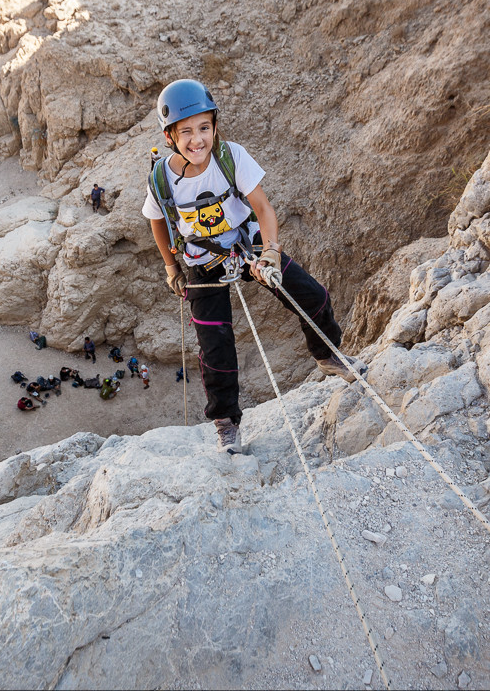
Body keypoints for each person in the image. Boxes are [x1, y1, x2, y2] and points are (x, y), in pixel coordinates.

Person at [143, 79, 364, 455]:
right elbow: (157, 222)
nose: (197, 140)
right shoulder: (162, 179)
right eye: (186, 132)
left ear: (214, 125)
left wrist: (270, 253)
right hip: (201, 262)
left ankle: (326, 354)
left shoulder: (231, 157)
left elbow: (262, 208)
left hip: (246, 244)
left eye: (204, 128)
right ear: (170, 137)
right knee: (216, 348)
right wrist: (171, 268)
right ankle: (226, 423)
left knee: (311, 296)